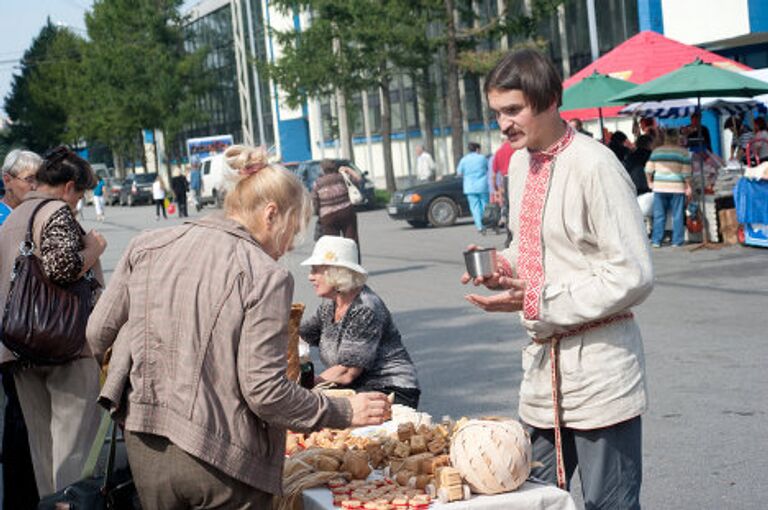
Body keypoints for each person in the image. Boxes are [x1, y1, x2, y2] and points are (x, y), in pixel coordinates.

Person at [86, 145, 390, 509]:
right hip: (222, 458)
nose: (289, 245)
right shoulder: (265, 275)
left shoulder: (146, 245)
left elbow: (95, 333)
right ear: (271, 214)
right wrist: (343, 412)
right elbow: (265, 391)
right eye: (293, 230)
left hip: (146, 447)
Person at [464, 49, 653, 509]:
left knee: (610, 506)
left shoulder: (595, 165)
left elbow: (634, 273)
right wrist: (501, 267)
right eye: (497, 113)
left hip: (600, 373)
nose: (504, 124)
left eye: (514, 110)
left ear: (550, 100)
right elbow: (530, 247)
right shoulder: (517, 165)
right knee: (534, 499)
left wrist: (538, 301)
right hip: (540, 374)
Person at [0, 145, 106, 498]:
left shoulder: (13, 216)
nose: (78, 203)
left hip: (19, 347)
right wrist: (94, 249)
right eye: (80, 194)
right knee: (72, 454)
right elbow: (60, 267)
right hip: (63, 346)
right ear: (68, 186)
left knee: (43, 454)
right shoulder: (56, 210)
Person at [299, 236, 421, 408]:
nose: (310, 277)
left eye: (316, 270)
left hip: (390, 390)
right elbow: (300, 337)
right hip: (359, 389)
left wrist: (306, 388)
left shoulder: (364, 308)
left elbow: (347, 371)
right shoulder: (330, 304)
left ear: (336, 272)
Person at [0, 149, 42, 509]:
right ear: (7, 180)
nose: (36, 186)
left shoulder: (29, 215)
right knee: (19, 417)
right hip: (10, 335)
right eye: (30, 180)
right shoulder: (4, 219)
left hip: (28, 332)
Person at [645, 128, 692, 248]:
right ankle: (677, 241)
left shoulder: (657, 152)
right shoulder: (683, 152)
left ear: (665, 137)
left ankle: (656, 241)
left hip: (660, 187)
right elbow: (686, 172)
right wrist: (688, 186)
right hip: (677, 187)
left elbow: (648, 169)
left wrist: (649, 182)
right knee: (677, 215)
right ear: (677, 138)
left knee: (659, 215)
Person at [312, 159, 360, 260]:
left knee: (334, 244)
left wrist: (318, 213)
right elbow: (358, 179)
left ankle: (337, 266)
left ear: (322, 169)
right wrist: (348, 170)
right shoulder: (342, 177)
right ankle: (354, 265)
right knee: (352, 240)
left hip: (328, 217)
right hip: (346, 212)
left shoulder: (318, 183)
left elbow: (315, 201)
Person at [456, 142, 490, 235]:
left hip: (469, 186)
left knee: (474, 207)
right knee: (484, 205)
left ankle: (479, 226)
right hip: (482, 186)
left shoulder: (464, 160)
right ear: (477, 149)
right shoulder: (482, 158)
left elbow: (459, 173)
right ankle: (486, 223)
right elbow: (488, 168)